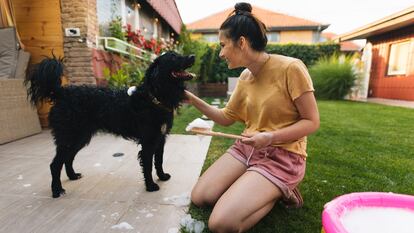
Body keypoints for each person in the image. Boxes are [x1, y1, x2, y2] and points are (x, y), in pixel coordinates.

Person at [185, 2, 320, 233]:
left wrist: (270, 137)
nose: (220, 53)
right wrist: (190, 98)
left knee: (220, 223)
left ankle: (281, 190)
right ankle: (259, 185)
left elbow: (312, 122)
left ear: (242, 43)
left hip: (283, 156)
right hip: (247, 149)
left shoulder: (291, 68)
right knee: (201, 196)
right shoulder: (246, 76)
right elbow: (226, 117)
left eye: (223, 45)